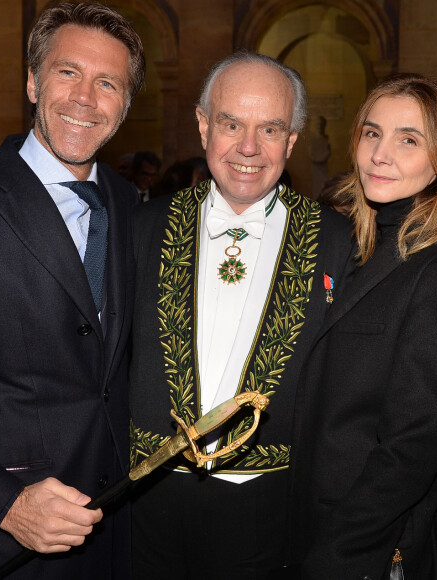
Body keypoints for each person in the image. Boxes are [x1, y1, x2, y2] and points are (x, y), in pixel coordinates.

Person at [0, 2, 145, 578]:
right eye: (67, 72)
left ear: (125, 105)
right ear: (31, 81)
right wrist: (3, 505)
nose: (84, 98)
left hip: (112, 541)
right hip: (1, 553)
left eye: (108, 83)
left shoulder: (129, 206)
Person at [129, 51, 355, 579]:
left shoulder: (340, 244)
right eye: (232, 124)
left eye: (270, 129)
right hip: (147, 511)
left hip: (274, 514)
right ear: (204, 126)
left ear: (292, 142)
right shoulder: (141, 229)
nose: (249, 148)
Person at [288, 73, 437, 579]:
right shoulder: (368, 253)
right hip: (326, 522)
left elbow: (411, 448)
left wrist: (337, 557)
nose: (380, 154)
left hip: (373, 545)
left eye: (409, 139)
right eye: (371, 133)